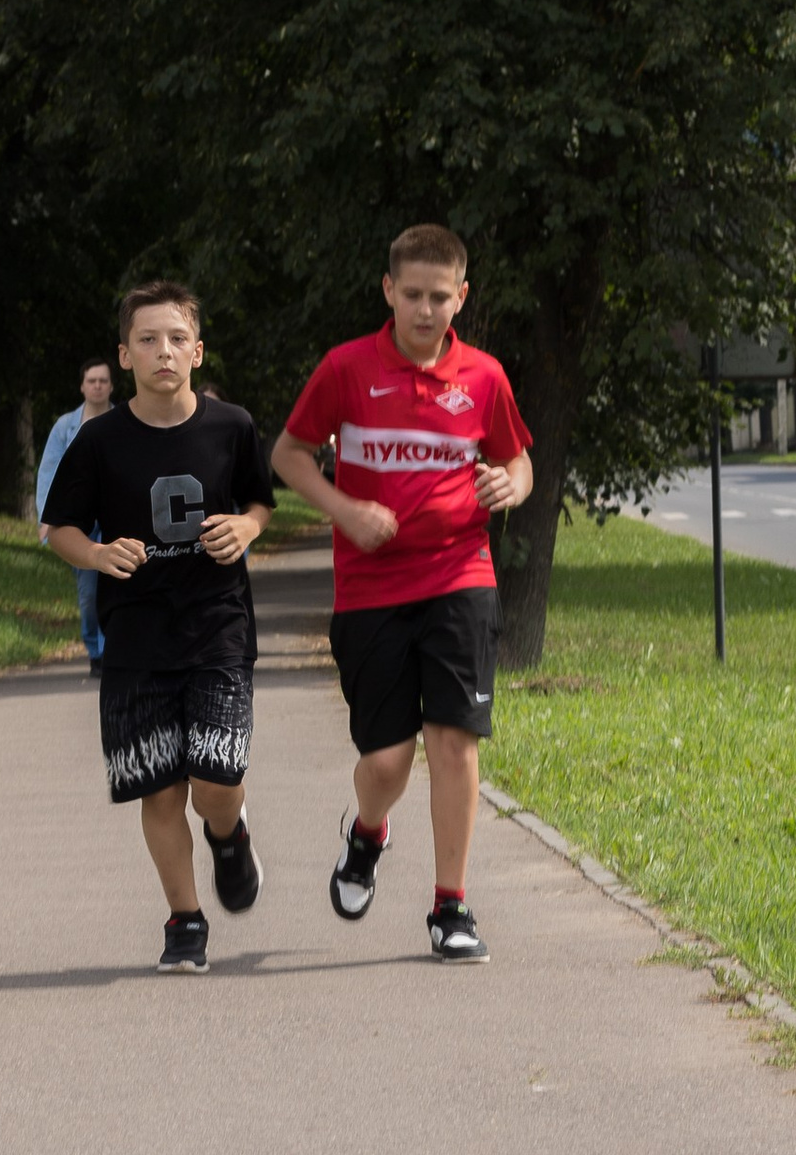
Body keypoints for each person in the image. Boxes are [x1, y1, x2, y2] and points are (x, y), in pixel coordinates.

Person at [272, 221, 532, 962]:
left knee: (455, 740)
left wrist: (504, 486)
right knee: (387, 761)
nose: (424, 309)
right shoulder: (347, 369)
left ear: (461, 298)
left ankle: (451, 906)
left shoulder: (484, 377)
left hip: (460, 575)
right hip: (370, 587)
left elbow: (519, 466)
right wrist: (346, 510)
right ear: (389, 291)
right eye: (411, 295)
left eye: (439, 297)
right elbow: (288, 454)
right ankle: (367, 833)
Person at [39, 279, 273, 971]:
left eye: (176, 339)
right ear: (124, 355)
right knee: (160, 786)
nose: (163, 351)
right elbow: (59, 529)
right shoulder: (100, 439)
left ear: (197, 351)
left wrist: (247, 527)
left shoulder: (232, 427)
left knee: (216, 781)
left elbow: (260, 502)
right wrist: (99, 554)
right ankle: (185, 921)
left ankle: (228, 837)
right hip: (136, 635)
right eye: (147, 339)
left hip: (218, 627)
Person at [36, 358, 117, 664]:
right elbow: (48, 472)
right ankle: (96, 651)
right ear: (83, 386)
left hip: (117, 517)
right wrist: (47, 519)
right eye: (92, 381)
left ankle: (113, 651)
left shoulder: (125, 420)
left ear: (111, 386)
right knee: (90, 595)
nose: (97, 386)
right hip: (79, 525)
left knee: (119, 586)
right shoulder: (64, 427)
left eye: (103, 381)